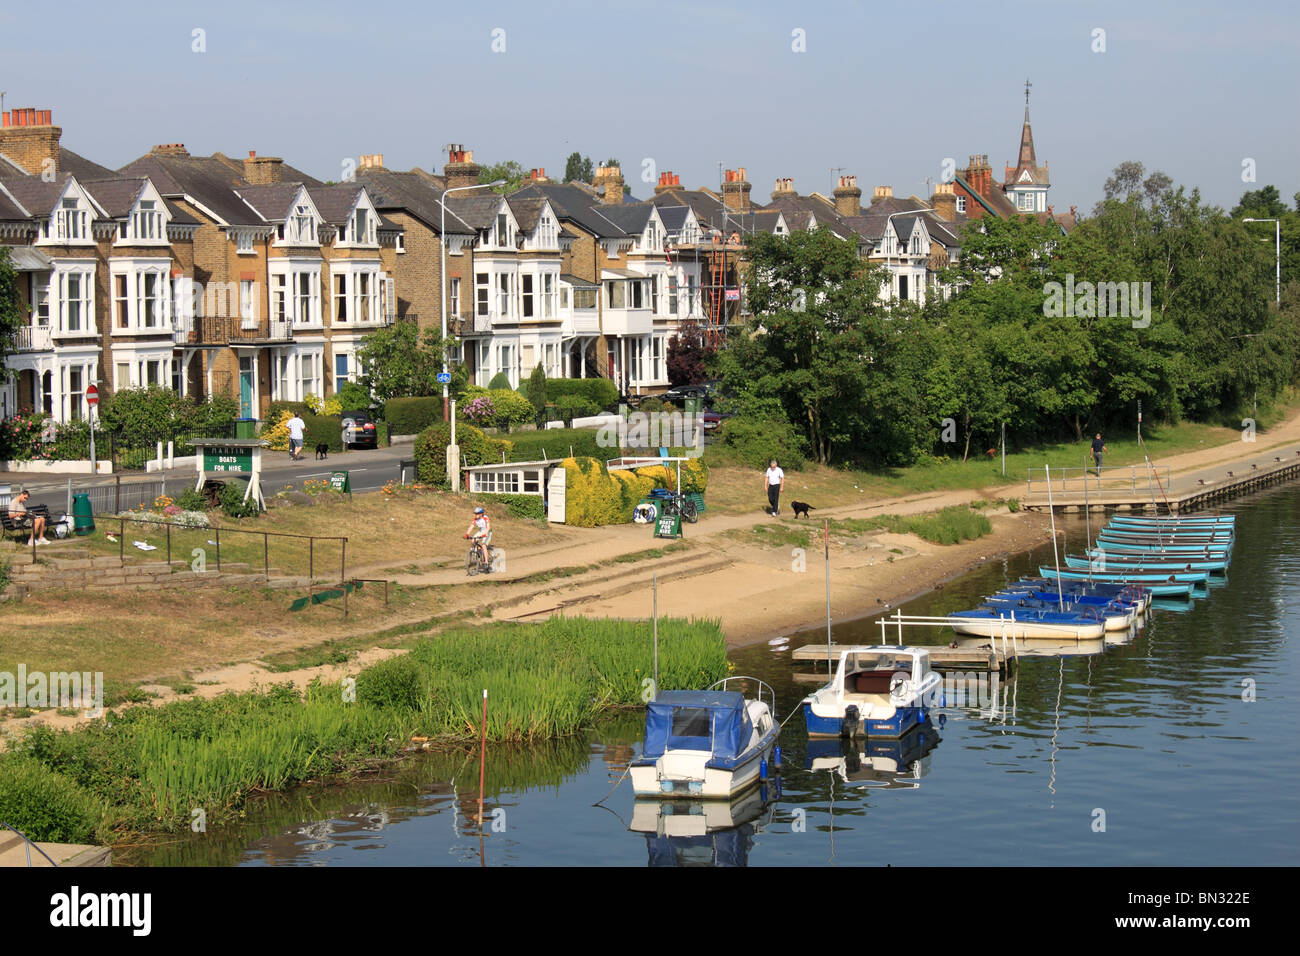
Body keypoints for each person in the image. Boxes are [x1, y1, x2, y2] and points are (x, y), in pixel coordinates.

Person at [464, 506, 492, 570]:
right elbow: (471, 526)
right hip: (481, 531)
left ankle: (486, 562)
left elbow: (488, 527)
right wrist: (467, 534)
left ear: (481, 513)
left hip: (488, 532)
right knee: (473, 541)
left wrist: (485, 534)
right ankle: (478, 552)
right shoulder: (475, 519)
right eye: (475, 513)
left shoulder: (485, 518)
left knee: (483, 545)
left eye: (477, 513)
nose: (476, 515)